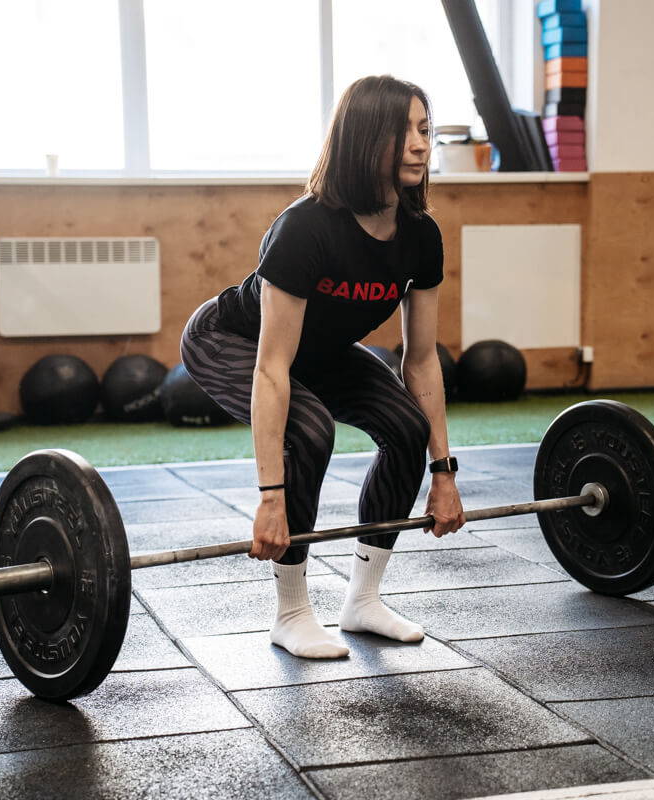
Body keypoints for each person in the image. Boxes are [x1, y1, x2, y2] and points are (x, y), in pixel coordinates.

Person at [179, 75, 466, 659]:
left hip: (319, 352)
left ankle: (362, 601)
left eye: (424, 129)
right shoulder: (306, 228)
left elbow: (422, 361)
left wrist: (443, 472)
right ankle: (290, 612)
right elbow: (271, 368)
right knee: (310, 427)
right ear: (364, 140)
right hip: (232, 340)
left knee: (406, 426)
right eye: (403, 131)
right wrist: (270, 497)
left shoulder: (421, 236)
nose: (420, 144)